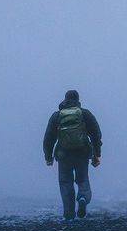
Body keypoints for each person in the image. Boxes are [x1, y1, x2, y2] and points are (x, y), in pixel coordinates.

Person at [43, 89, 102, 220]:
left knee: (65, 183)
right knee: (82, 180)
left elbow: (48, 138)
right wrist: (97, 154)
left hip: (63, 155)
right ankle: (82, 198)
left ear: (65, 99)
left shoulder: (57, 116)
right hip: (82, 153)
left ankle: (69, 214)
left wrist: (48, 157)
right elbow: (96, 134)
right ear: (78, 99)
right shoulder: (85, 114)